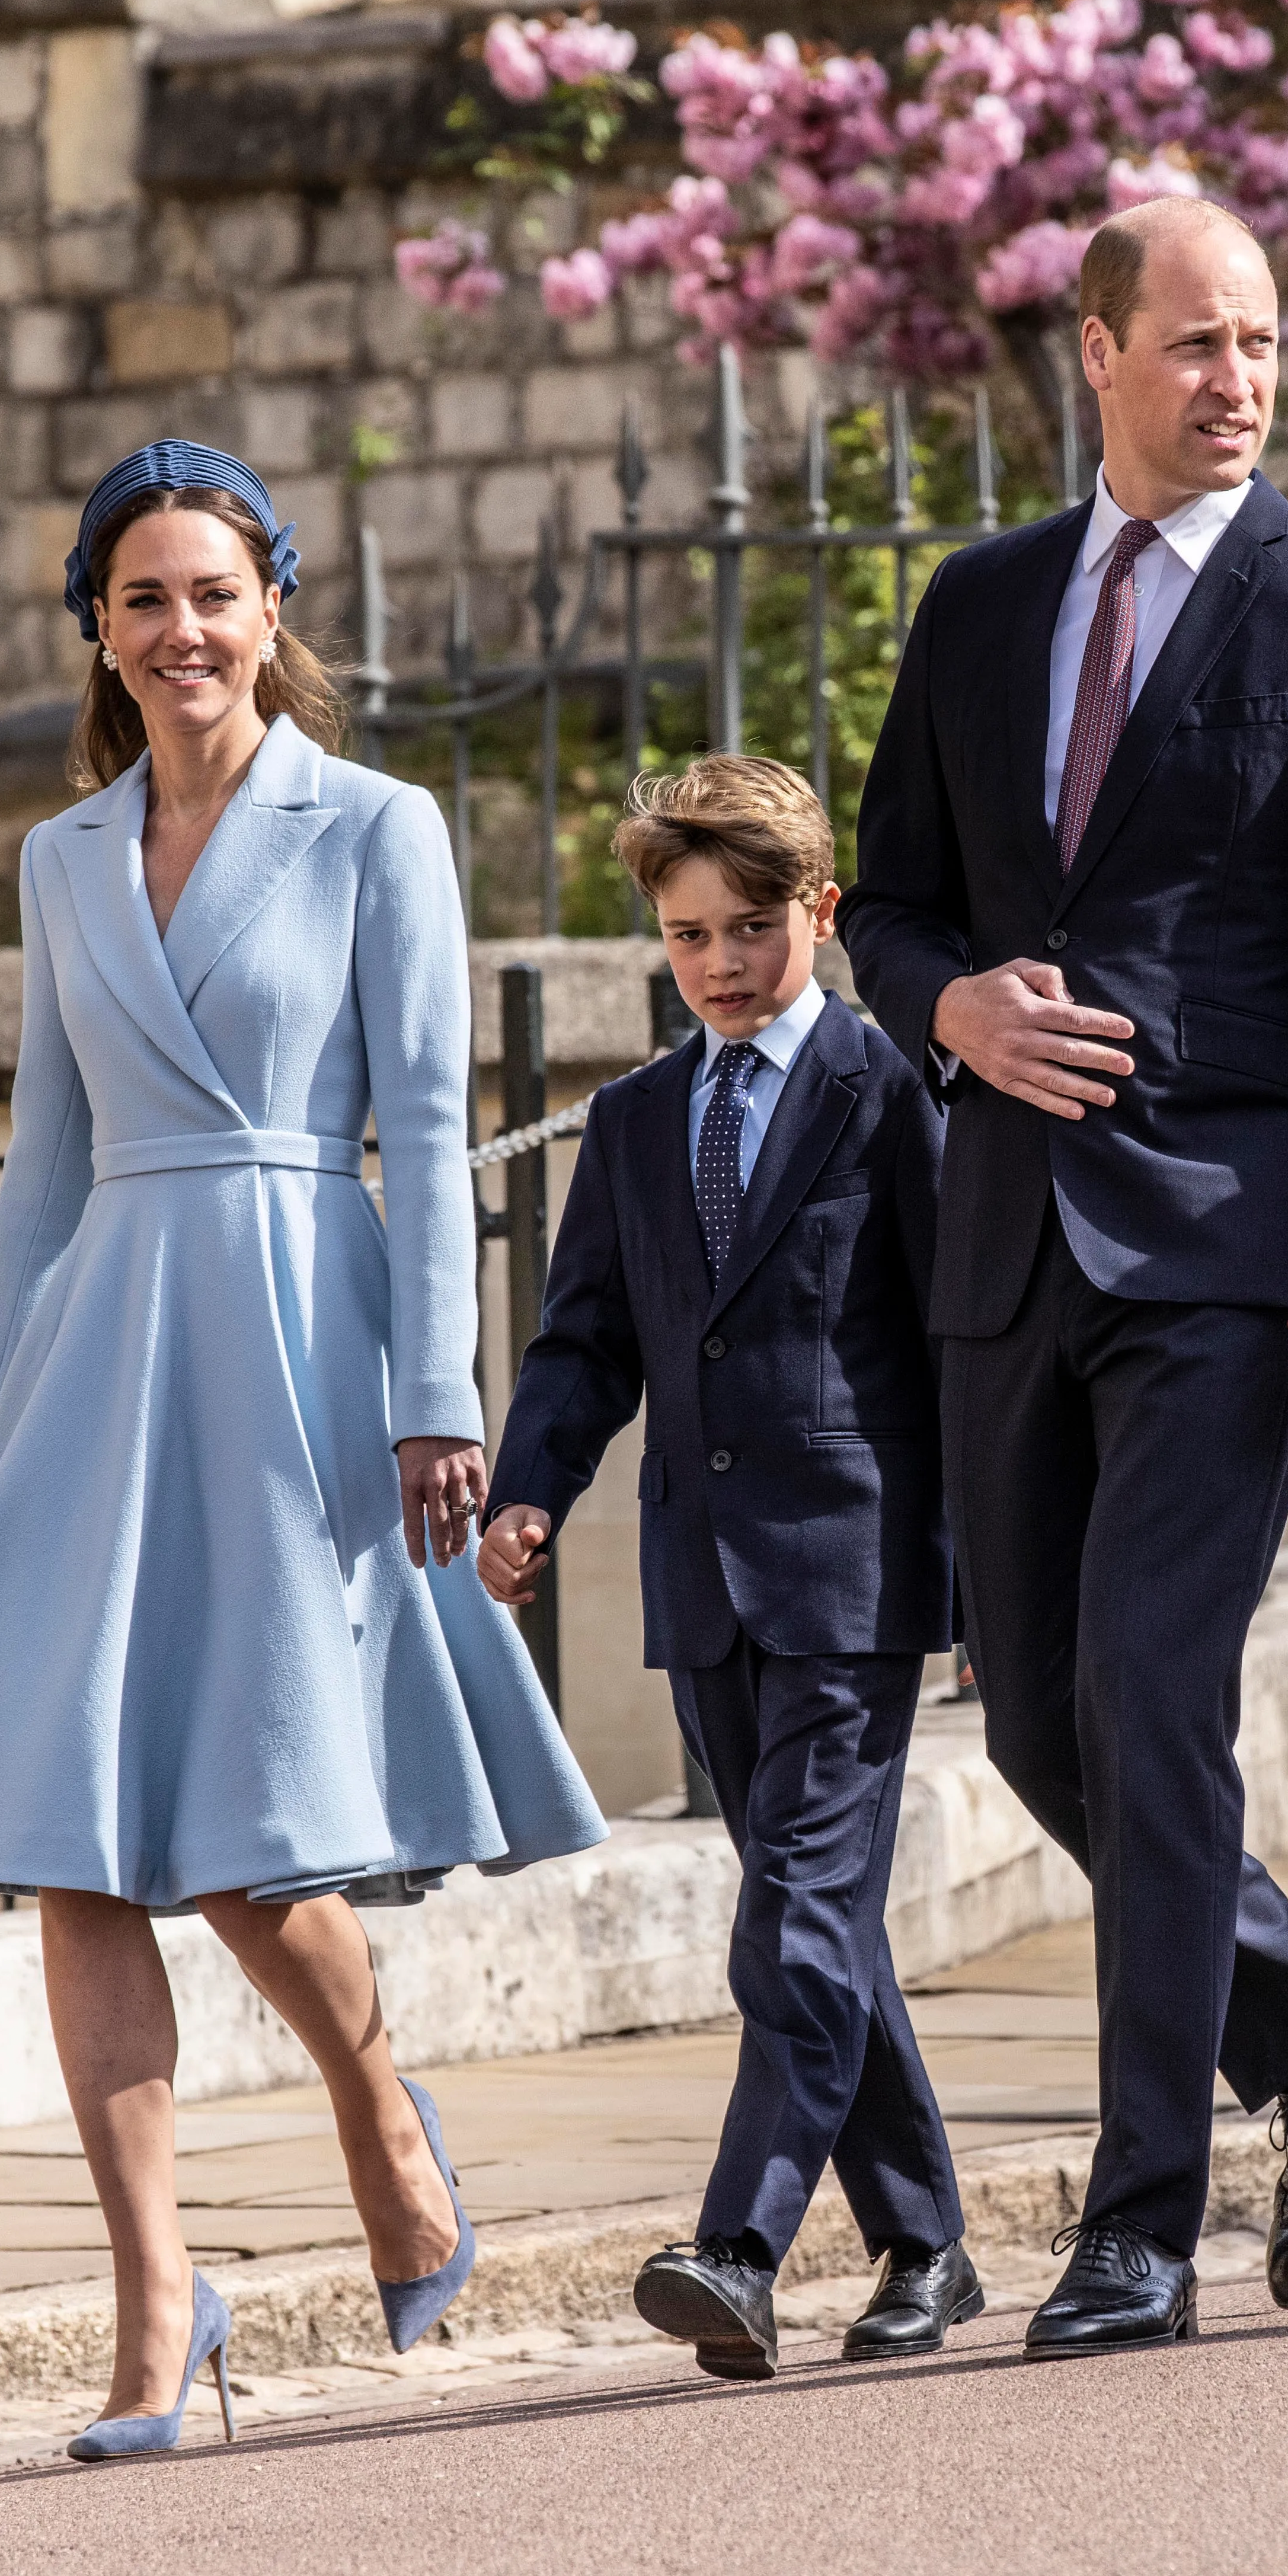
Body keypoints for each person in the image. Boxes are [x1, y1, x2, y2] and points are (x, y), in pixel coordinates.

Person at [0, 440, 607, 2459]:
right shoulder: (59, 858)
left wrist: (437, 1387)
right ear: (99, 621)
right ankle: (157, 2308)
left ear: (275, 615)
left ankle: (372, 2107)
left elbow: (422, 1126)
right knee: (77, 1842)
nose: (183, 631)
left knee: (252, 1842)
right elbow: (53, 1172)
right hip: (97, 1367)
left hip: (293, 1334)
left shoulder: (377, 830)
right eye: (145, 597)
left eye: (217, 595)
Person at [836, 196, 1288, 2357]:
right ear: (1091, 351)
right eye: (1195, 343)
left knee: (1148, 1695)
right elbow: (887, 903)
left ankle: (1138, 2223)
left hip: (1228, 1251)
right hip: (1008, 1240)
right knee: (1029, 1717)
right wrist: (952, 1015)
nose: (1239, 380)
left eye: (1264, 344)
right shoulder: (982, 604)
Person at [475, 756, 979, 2382]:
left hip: (854, 1567)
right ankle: (925, 2246)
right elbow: (584, 1340)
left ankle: (740, 2243)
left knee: (791, 1921)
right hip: (697, 1580)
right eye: (689, 933)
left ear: (816, 915)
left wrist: (974, 1576)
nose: (720, 962)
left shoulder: (888, 1088)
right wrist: (531, 1490)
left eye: (752, 926)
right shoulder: (629, 1123)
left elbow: (953, 1346)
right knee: (815, 1921)